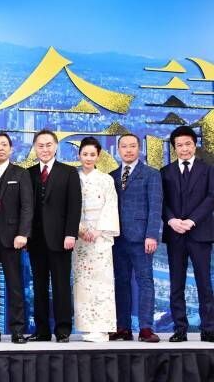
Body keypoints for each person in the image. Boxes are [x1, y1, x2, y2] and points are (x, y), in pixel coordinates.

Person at [26, 129, 81, 343]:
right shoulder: (28, 173)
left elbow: (74, 206)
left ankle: (63, 329)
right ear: (35, 148)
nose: (45, 149)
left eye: (49, 145)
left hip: (61, 239)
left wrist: (71, 234)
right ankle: (41, 330)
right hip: (35, 240)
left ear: (56, 146)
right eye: (40, 145)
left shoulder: (68, 172)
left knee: (61, 285)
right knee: (38, 286)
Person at [161, 126, 214, 343]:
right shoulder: (165, 172)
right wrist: (172, 220)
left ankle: (208, 328)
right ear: (174, 148)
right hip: (175, 234)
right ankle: (180, 328)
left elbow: (211, 198)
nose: (184, 149)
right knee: (176, 284)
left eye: (188, 144)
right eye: (179, 145)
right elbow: (161, 201)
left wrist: (192, 221)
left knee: (204, 283)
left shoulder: (208, 170)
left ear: (195, 145)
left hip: (200, 233)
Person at [109, 133, 162, 343]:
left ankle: (146, 328)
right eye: (124, 146)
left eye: (132, 146)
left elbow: (155, 207)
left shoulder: (151, 174)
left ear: (139, 149)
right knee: (121, 282)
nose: (128, 150)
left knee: (145, 282)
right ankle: (123, 327)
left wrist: (152, 235)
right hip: (117, 238)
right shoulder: (111, 176)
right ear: (118, 150)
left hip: (141, 238)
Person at [0, 132, 33, 344]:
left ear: (11, 149)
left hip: (12, 238)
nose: (0, 148)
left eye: (4, 144)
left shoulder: (20, 173)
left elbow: (27, 206)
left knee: (15, 285)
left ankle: (18, 330)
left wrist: (23, 233)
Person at [73, 137, 119, 342]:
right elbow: (69, 207)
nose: (88, 158)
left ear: (98, 156)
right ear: (79, 155)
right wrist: (81, 229)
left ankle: (103, 328)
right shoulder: (73, 178)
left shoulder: (106, 180)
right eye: (85, 154)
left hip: (100, 237)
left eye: (92, 154)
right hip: (80, 237)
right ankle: (86, 327)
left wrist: (99, 230)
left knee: (103, 282)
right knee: (82, 283)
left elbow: (111, 206)